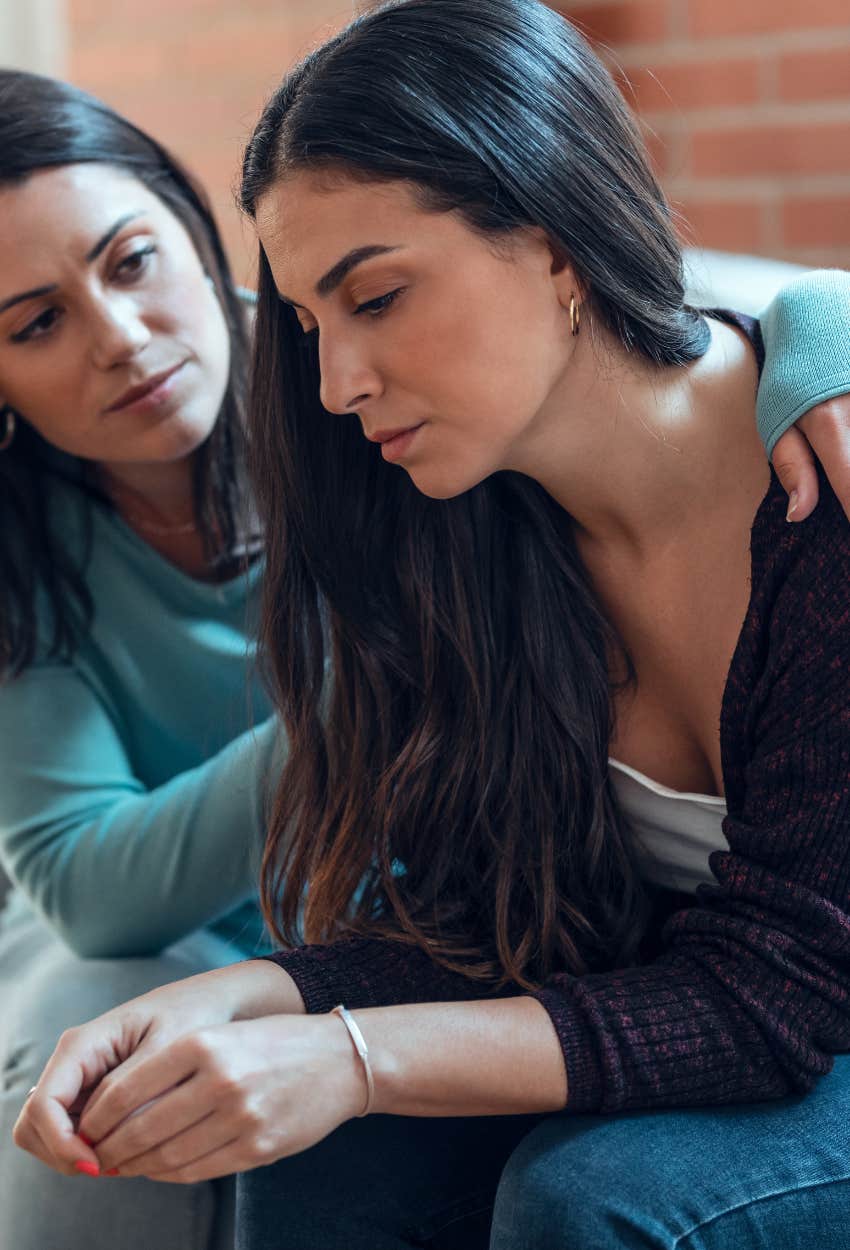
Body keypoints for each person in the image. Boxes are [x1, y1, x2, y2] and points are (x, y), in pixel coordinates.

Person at [12, 4, 850, 1247]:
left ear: (555, 235)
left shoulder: (820, 479)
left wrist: (350, 1054)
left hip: (799, 1009)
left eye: (380, 298)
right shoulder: (468, 525)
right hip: (724, 990)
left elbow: (779, 993)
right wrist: (260, 996)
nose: (340, 381)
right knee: (322, 1153)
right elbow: (493, 924)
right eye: (309, 324)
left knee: (587, 1192)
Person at [0, 71, 284, 1250]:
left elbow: (652, 322)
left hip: (411, 927)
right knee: (98, 1045)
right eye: (36, 322)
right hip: (137, 949)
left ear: (191, 224)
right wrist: (363, 710)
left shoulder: (359, 367)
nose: (120, 339)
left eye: (129, 262)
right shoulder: (20, 543)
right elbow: (86, 886)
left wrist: (815, 346)